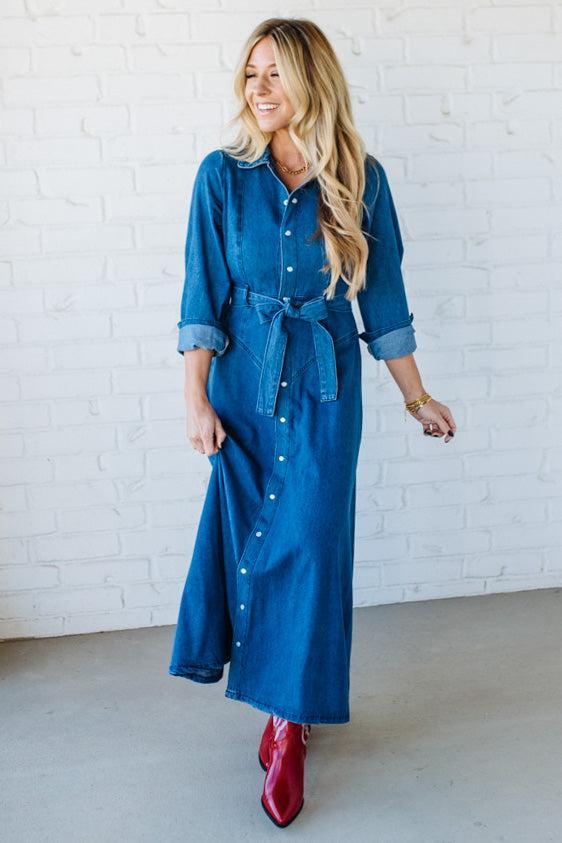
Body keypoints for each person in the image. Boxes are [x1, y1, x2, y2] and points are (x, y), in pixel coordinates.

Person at [168, 17, 457, 828]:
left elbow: (384, 300)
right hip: (244, 389)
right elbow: (201, 295)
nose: (258, 89)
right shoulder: (221, 177)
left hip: (327, 391)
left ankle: (290, 723)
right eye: (250, 73)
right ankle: (279, 707)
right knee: (256, 549)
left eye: (276, 74)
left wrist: (416, 396)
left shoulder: (362, 178)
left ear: (311, 81)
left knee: (313, 550)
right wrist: (195, 399)